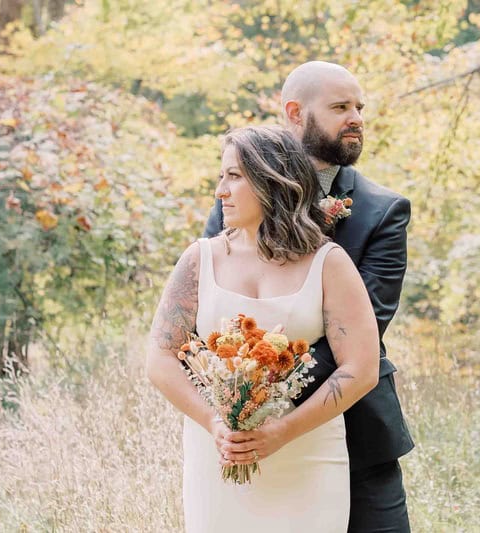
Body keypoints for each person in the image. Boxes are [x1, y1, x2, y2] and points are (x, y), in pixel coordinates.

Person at [204, 61, 415, 532]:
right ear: (295, 113)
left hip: (356, 427)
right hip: (246, 429)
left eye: (360, 107)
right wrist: (241, 409)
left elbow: (366, 325)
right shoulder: (233, 196)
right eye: (341, 107)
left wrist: (270, 396)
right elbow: (212, 305)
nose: (356, 117)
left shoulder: (383, 212)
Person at [147, 125, 380, 532]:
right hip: (218, 455)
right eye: (221, 176)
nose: (221, 190)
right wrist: (216, 424)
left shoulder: (330, 263)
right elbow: (161, 357)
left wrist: (282, 432)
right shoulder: (199, 259)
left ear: (274, 178)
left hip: (308, 455)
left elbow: (360, 369)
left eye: (234, 176)